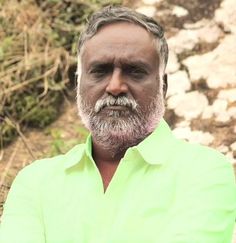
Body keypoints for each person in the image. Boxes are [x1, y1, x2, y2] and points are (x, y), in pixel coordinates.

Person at [0, 5, 236, 243]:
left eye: (135, 71)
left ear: (163, 86)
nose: (115, 86)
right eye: (100, 71)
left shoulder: (203, 172)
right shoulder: (36, 182)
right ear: (78, 83)